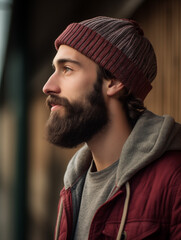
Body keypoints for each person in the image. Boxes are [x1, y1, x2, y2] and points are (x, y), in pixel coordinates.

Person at [42, 16, 181, 240]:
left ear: (115, 80)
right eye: (54, 69)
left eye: (67, 69)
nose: (48, 86)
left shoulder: (174, 181)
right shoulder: (73, 186)